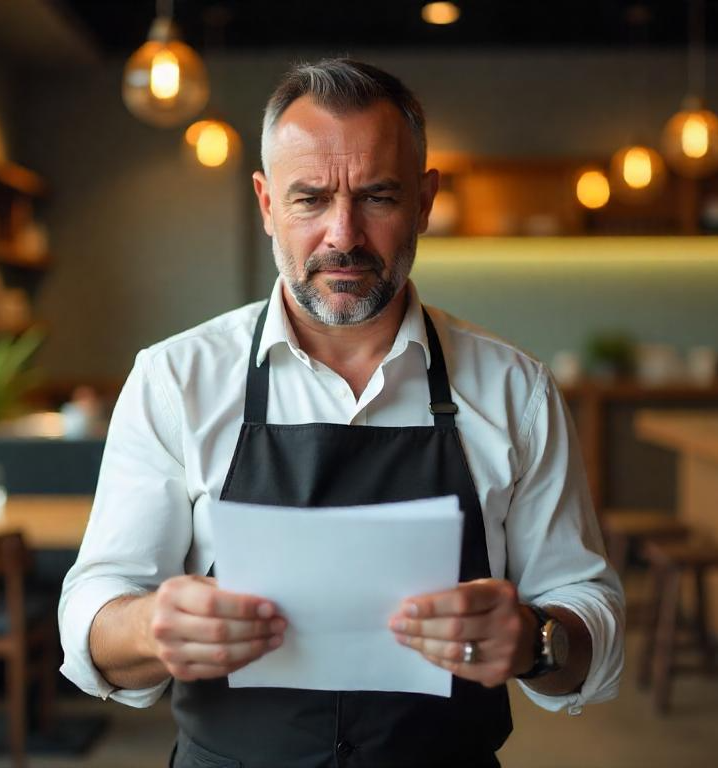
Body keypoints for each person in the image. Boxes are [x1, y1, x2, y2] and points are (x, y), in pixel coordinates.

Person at [59, 58, 624, 768]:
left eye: (378, 197)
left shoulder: (517, 390)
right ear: (266, 204)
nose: (343, 234)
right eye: (310, 199)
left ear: (423, 201)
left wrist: (537, 637)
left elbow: (591, 617)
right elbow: (93, 612)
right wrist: (150, 626)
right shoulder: (176, 380)